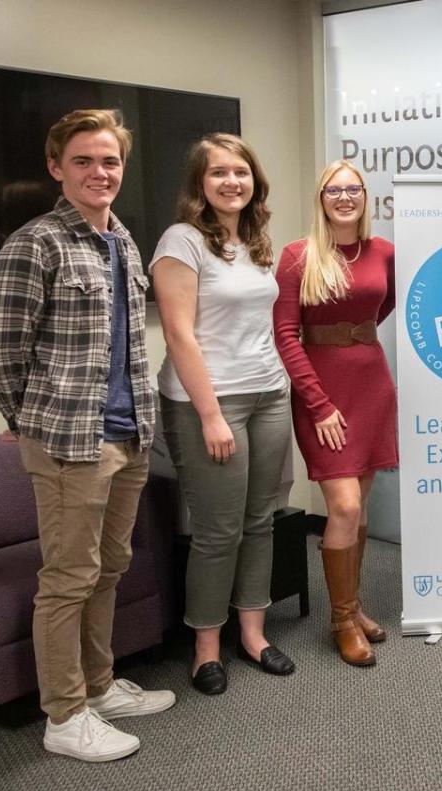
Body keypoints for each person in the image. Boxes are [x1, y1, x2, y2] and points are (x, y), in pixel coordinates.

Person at [0, 109, 174, 762]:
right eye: (85, 160)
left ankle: (97, 687)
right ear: (56, 167)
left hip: (129, 436)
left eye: (111, 160)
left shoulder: (122, 241)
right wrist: (27, 421)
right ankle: (65, 716)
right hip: (69, 443)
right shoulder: (34, 244)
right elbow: (1, 351)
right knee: (69, 578)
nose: (100, 172)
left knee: (109, 567)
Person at [152, 133, 294, 695]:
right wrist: (211, 415)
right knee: (218, 531)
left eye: (241, 172)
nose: (231, 182)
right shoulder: (181, 241)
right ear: (199, 184)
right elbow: (179, 334)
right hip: (207, 402)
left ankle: (253, 634)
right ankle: (206, 648)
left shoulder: (257, 241)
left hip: (268, 395)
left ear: (254, 180)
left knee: (261, 519)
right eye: (218, 173)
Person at [273, 160, 396, 667]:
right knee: (343, 505)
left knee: (360, 504)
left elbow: (381, 307)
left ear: (365, 197)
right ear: (320, 198)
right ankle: (341, 621)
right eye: (334, 190)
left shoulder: (384, 252)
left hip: (372, 384)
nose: (344, 197)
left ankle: (355, 606)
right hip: (323, 393)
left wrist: (357, 334)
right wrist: (318, 403)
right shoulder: (298, 257)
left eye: (353, 189)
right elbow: (285, 335)